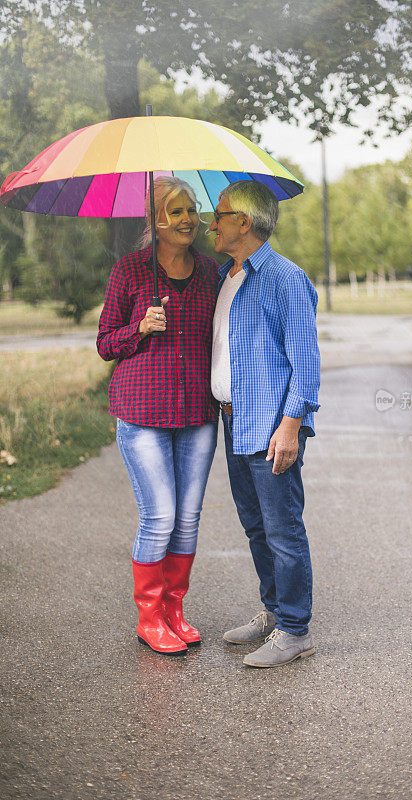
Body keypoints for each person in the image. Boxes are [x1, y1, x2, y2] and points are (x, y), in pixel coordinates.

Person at [97, 177, 219, 656]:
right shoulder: (129, 271)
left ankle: (174, 610)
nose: (187, 219)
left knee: (187, 519)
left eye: (190, 209)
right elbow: (106, 344)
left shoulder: (211, 272)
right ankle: (150, 617)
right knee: (160, 516)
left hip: (196, 413)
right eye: (174, 211)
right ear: (154, 221)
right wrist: (139, 326)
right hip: (142, 412)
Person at [209, 181, 320, 668]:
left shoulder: (284, 278)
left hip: (272, 427)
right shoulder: (225, 276)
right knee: (256, 527)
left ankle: (295, 630)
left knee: (283, 531)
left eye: (220, 213)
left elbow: (306, 363)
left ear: (244, 223)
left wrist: (291, 425)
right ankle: (274, 612)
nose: (212, 222)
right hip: (233, 423)